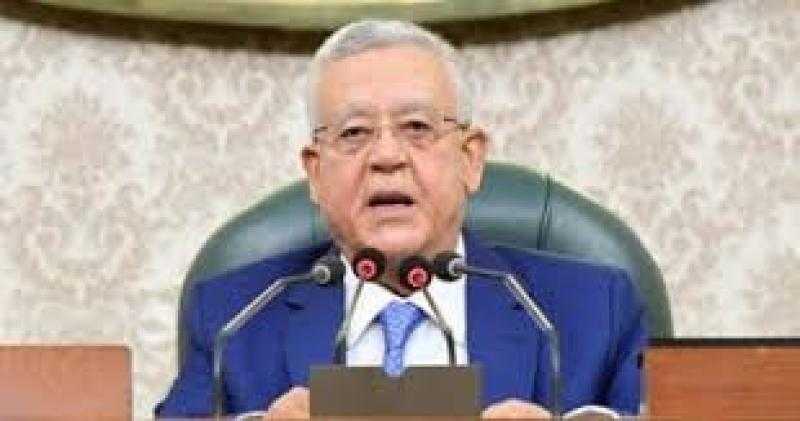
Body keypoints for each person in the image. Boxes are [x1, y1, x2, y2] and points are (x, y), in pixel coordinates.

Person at [155, 20, 647, 419]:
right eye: (354, 133)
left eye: (417, 127)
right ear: (315, 172)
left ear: (470, 159)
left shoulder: (592, 311)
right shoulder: (235, 318)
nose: (387, 156)